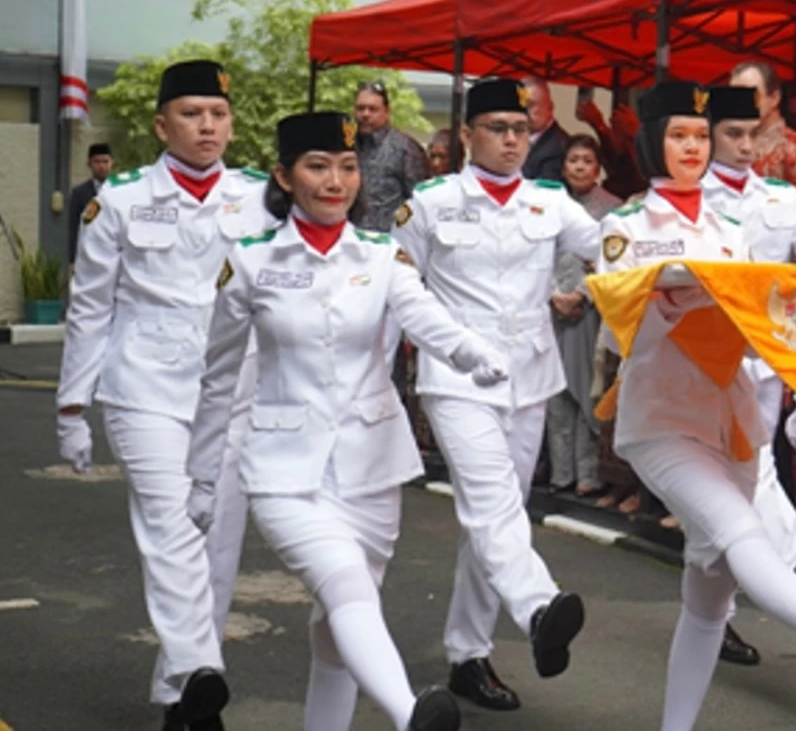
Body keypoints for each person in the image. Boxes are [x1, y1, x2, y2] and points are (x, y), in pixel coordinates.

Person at [185, 111, 508, 731]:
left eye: (347, 166)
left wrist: (473, 354)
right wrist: (202, 477)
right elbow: (219, 377)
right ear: (285, 176)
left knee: (337, 632)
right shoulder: (250, 262)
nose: (335, 181)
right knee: (345, 586)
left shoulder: (381, 254)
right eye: (317, 167)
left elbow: (424, 315)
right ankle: (410, 713)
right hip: (284, 473)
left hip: (372, 466)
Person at [598, 79, 796, 731]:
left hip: (732, 419)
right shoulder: (625, 226)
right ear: (652, 143)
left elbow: (775, 303)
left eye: (699, 136)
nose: (693, 147)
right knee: (741, 533)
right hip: (662, 421)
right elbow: (627, 316)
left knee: (707, 598)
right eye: (679, 135)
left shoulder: (730, 228)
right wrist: (692, 283)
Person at [55, 60, 274, 731]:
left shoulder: (261, 198)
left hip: (231, 394)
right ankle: (202, 669)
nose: (207, 126)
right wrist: (71, 406)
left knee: (217, 546)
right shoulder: (118, 201)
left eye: (218, 114)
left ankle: (183, 699)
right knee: (173, 530)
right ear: (160, 125)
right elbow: (90, 307)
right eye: (191, 113)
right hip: (144, 387)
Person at [393, 78, 598, 711]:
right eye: (497, 128)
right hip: (455, 379)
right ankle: (538, 607)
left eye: (520, 130)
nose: (511, 140)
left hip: (528, 378)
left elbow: (613, 253)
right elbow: (397, 289)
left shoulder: (550, 202)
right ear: (467, 135)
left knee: (495, 516)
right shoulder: (431, 204)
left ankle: (468, 654)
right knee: (491, 503)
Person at [700, 85, 796, 666]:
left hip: (763, 361)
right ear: (709, 136)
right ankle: (791, 555)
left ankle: (718, 613)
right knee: (736, 475)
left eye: (751, 134)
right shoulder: (692, 197)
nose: (744, 145)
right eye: (732, 134)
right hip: (705, 362)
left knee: (736, 482)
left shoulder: (781, 199)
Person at [548, 135, 621, 497]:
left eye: (587, 161)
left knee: (585, 391)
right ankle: (560, 473)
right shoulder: (549, 205)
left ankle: (588, 474)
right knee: (554, 391)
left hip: (590, 310)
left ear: (598, 168)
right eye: (573, 160)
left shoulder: (613, 209)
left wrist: (580, 295)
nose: (579, 167)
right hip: (551, 307)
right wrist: (553, 294)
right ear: (563, 167)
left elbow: (613, 261)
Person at [730, 60, 796, 195]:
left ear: (774, 98)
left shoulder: (795, 151)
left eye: (751, 95)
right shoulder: (728, 146)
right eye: (735, 97)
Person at [354, 81, 431, 232]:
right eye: (360, 108)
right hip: (352, 237)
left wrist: (397, 228)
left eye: (373, 109)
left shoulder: (405, 149)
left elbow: (420, 201)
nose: (365, 114)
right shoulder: (347, 146)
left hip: (389, 239)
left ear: (386, 111)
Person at [67, 142, 114, 265]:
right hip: (88, 252)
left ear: (112, 163)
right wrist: (72, 259)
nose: (101, 166)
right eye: (97, 162)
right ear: (90, 164)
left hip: (114, 250)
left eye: (105, 161)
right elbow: (73, 226)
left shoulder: (120, 190)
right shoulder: (79, 193)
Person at [521, 77, 571, 182]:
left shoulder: (559, 146)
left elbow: (546, 189)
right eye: (521, 105)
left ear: (550, 108)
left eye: (530, 105)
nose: (524, 112)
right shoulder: (517, 137)